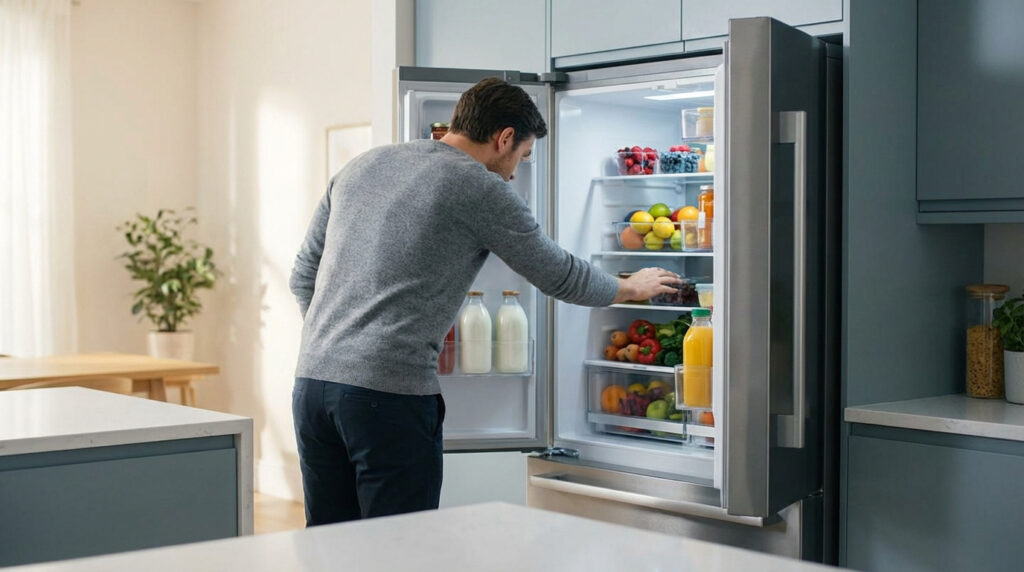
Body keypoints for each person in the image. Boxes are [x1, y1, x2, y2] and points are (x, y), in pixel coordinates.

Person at [289, 77, 679, 526]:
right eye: (523, 156)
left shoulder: (362, 165)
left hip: (311, 386)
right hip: (387, 396)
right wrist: (628, 287)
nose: (514, 173)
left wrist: (336, 346)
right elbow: (557, 272)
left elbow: (302, 276)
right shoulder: (478, 186)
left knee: (329, 540)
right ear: (504, 138)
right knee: (399, 543)